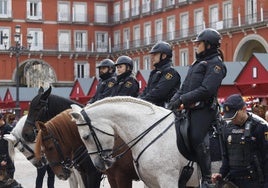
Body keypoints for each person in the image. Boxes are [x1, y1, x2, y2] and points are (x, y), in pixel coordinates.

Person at [168, 28, 227, 187]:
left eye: (199, 44)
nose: (196, 46)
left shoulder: (216, 65)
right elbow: (184, 86)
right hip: (188, 108)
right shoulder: (196, 64)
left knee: (196, 136)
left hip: (204, 109)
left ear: (208, 45)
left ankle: (207, 178)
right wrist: (173, 101)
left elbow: (207, 90)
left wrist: (183, 99)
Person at [211, 94, 268, 188]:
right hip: (233, 182)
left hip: (255, 182)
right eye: (230, 117)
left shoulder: (259, 127)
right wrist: (221, 174)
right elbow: (226, 157)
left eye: (235, 116)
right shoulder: (226, 129)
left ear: (244, 109)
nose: (232, 119)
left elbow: (266, 159)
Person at [138, 41, 181, 107]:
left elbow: (159, 92)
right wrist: (137, 100)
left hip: (165, 111)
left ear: (163, 56)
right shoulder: (154, 72)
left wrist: (142, 101)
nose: (152, 58)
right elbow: (146, 90)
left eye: (155, 54)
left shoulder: (170, 72)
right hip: (153, 108)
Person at [0, 113, 15, 179]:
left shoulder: (8, 128)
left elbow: (10, 146)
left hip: (7, 160)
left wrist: (5, 159)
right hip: (1, 159)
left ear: (1, 120)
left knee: (8, 179)